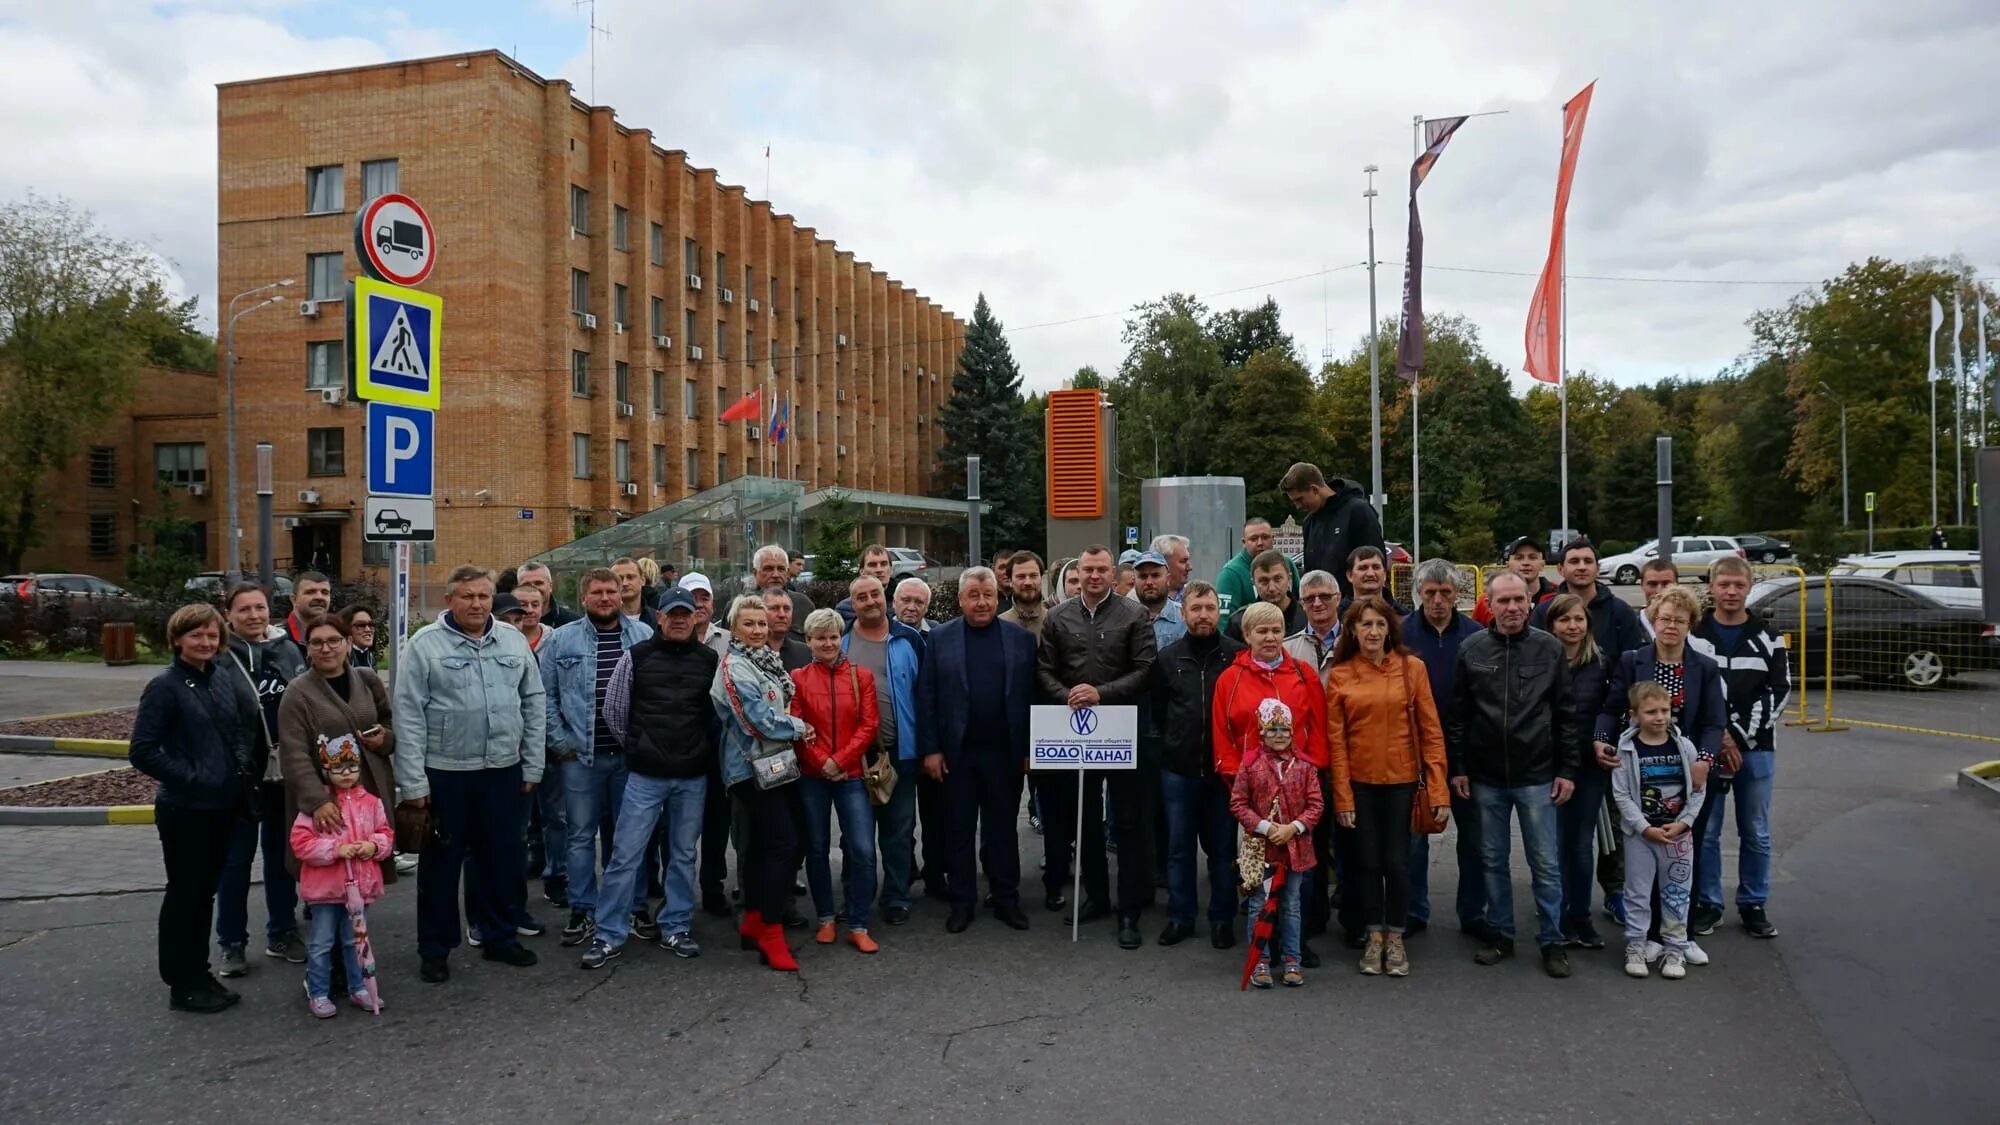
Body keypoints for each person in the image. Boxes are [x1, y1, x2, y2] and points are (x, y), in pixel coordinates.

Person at [394, 565, 547, 983]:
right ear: (450, 601)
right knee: (440, 867)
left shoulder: (512, 640)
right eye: (467, 596)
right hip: (446, 774)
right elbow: (407, 716)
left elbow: (533, 702)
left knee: (500, 859)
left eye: (483, 596)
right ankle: (436, 949)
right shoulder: (424, 646)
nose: (477, 604)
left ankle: (499, 937)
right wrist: (413, 785)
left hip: (503, 770)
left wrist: (532, 763)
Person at [1447, 571, 1580, 978]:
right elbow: (1458, 716)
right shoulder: (1471, 649)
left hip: (1537, 775)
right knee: (1492, 861)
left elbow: (1566, 715)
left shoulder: (1549, 649)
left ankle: (1552, 941)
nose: (1512, 608)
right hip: (1485, 777)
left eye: (1518, 600)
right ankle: (1501, 934)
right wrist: (1459, 768)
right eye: (1503, 601)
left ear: (1530, 601)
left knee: (1545, 863)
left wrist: (1567, 769)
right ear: (1489, 603)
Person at [581, 587, 720, 968]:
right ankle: (608, 932)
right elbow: (615, 710)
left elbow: (714, 716)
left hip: (692, 777)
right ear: (658, 617)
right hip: (645, 776)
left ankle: (676, 925)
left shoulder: (710, 661)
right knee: (625, 855)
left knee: (682, 855)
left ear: (696, 617)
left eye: (685, 613)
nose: (678, 619)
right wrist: (639, 745)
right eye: (671, 613)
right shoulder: (636, 657)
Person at [130, 603, 258, 1014]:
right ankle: (181, 983)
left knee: (205, 895)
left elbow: (237, 728)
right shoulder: (164, 686)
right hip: (185, 809)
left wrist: (237, 766)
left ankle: (200, 973)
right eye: (196, 635)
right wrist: (192, 777)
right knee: (185, 896)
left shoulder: (219, 677)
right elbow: (143, 751)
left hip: (223, 805)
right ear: (177, 639)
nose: (206, 642)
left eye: (212, 635)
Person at [1035, 545, 1158, 948]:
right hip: (1075, 731)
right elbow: (1044, 669)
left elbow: (1145, 670)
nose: (1093, 576)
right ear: (1078, 571)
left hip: (1120, 729)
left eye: (1101, 569)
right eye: (1086, 569)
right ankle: (1098, 896)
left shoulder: (1134, 614)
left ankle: (1129, 910)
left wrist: (1100, 694)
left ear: (1112, 573)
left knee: (1127, 822)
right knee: (1083, 819)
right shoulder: (1057, 616)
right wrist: (1069, 694)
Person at [1326, 596, 1448, 978]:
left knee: (1397, 864)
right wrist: (1342, 796)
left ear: (1390, 629)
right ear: (1353, 631)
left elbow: (1431, 733)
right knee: (1366, 865)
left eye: (1380, 624)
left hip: (1402, 784)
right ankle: (1372, 936)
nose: (1373, 632)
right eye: (1366, 625)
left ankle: (1395, 936)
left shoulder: (1413, 669)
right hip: (1360, 785)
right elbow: (1337, 743)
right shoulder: (1341, 675)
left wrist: (1439, 790)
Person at [539, 567, 654, 950]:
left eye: (612, 591)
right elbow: (545, 697)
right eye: (598, 592)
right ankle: (583, 908)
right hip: (579, 759)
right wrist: (561, 743)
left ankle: (634, 907)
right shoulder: (561, 640)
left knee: (629, 838)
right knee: (580, 837)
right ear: (584, 598)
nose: (606, 598)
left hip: (628, 758)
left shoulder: (642, 636)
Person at [1212, 599, 1330, 963]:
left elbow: (1317, 730)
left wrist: (1311, 771)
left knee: (1297, 872)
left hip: (1296, 792)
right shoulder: (1230, 679)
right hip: (1253, 793)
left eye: (1277, 630)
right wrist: (1239, 782)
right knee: (1257, 871)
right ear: (1246, 635)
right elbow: (1222, 735)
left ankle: (1295, 941)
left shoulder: (1303, 674)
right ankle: (1262, 941)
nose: (1270, 637)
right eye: (1261, 631)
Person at [920, 568, 1036, 933]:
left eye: (987, 594)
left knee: (1002, 829)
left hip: (1005, 752)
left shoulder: (1020, 639)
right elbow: (927, 697)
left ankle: (1006, 899)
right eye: (974, 595)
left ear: (997, 597)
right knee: (958, 830)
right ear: (960, 600)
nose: (982, 602)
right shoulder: (940, 639)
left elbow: (1033, 696)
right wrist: (932, 750)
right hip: (958, 755)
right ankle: (962, 901)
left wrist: (1033, 748)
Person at [710, 595, 814, 973]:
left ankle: (755, 918)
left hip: (777, 765)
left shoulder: (766, 662)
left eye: (761, 624)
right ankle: (770, 930)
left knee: (772, 844)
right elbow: (757, 722)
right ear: (734, 628)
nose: (757, 630)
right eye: (749, 624)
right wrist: (801, 728)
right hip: (748, 769)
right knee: (783, 843)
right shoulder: (735, 667)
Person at [1690, 556, 1790, 941]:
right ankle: (1708, 903)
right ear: (1712, 587)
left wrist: (1736, 734)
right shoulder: (1695, 634)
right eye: (1724, 584)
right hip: (1707, 747)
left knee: (1756, 830)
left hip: (1757, 748)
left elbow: (1779, 692)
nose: (1731, 592)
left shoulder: (1769, 636)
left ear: (1749, 588)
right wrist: (1717, 737)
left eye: (1738, 585)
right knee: (1707, 829)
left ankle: (1753, 903)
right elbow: (1693, 689)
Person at [215, 582, 307, 976]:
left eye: (260, 608)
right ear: (229, 615)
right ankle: (232, 942)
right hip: (238, 777)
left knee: (282, 859)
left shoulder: (288, 651)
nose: (254, 616)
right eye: (244, 609)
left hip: (283, 775)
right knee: (235, 863)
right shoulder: (219, 657)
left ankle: (282, 930)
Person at [1150, 581, 1245, 948]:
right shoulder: (1169, 658)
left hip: (1223, 772)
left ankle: (1221, 919)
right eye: (1195, 609)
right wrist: (1171, 749)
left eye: (1209, 608)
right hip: (1179, 771)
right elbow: (1159, 710)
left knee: (1222, 851)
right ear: (1184, 612)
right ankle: (1181, 916)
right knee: (1178, 849)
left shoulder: (1237, 656)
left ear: (1217, 611)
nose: (1203, 615)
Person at [277, 614, 395, 895]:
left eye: (333, 640)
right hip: (328, 796)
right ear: (307, 648)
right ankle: (328, 931)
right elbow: (294, 753)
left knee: (362, 867)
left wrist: (385, 739)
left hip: (368, 790)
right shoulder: (298, 693)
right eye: (316, 643)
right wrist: (317, 801)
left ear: (348, 643)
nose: (326, 648)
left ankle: (356, 932)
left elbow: (390, 723)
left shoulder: (367, 680)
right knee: (330, 874)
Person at [1401, 559, 1486, 940]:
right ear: (1419, 593)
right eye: (1430, 593)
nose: (1437, 600)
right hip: (1415, 751)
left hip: (1466, 752)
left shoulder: (1476, 635)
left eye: (1445, 593)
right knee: (1415, 838)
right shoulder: (1400, 635)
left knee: (1474, 838)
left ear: (1458, 594)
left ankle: (1473, 912)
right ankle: (1414, 909)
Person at [790, 608, 882, 952]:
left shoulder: (862, 677)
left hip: (853, 775)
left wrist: (840, 760)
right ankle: (826, 917)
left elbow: (869, 725)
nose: (827, 643)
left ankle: (858, 922)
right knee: (815, 849)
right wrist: (822, 762)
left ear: (839, 638)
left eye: (832, 637)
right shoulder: (797, 678)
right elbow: (796, 727)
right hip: (812, 777)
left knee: (862, 850)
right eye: (820, 637)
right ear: (809, 641)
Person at [288, 735, 394, 1017]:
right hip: (327, 889)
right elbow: (301, 843)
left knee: (355, 941)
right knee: (322, 942)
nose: (346, 774)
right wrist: (336, 849)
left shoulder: (371, 802)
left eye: (352, 767)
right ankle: (318, 990)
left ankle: (358, 986)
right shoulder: (317, 807)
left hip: (360, 888)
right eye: (338, 768)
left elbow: (385, 834)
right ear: (326, 771)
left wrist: (373, 846)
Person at [841, 575, 926, 924]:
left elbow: (926, 696)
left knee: (898, 829)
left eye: (875, 594)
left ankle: (896, 896)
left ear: (886, 597)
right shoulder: (842, 642)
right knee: (854, 833)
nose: (870, 601)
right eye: (861, 597)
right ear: (853, 604)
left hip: (900, 750)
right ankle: (856, 895)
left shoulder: (909, 640)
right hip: (854, 754)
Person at [1610, 682, 1707, 980]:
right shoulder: (1626, 749)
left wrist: (1685, 822)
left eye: (1665, 710)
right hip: (1641, 836)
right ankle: (1637, 945)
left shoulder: (1685, 747)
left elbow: (1698, 789)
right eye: (1651, 711)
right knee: (1637, 893)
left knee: (1677, 893)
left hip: (1678, 837)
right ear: (1634, 714)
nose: (1660, 717)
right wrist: (1643, 827)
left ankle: (1675, 947)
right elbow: (1621, 795)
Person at [1231, 698, 1324, 989]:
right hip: (1263, 849)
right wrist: (1265, 826)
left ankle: (1291, 959)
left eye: (1285, 729)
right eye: (1273, 730)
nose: (1280, 735)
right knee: (1260, 902)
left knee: (1292, 905)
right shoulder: (1250, 765)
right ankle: (1260, 959)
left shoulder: (1306, 766)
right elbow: (1238, 803)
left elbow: (1316, 804)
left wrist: (1294, 828)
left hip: (1296, 849)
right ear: (1261, 733)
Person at [1541, 592, 1614, 948]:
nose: (1572, 626)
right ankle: (1555, 916)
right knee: (1553, 846)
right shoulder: (1540, 661)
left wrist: (1601, 739)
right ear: (1551, 625)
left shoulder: (1602, 664)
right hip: (1547, 765)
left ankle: (1580, 916)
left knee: (1581, 844)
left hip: (1587, 766)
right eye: (1564, 620)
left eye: (1579, 619)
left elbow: (1611, 709)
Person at [1281, 462, 1384, 598]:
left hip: (1355, 607)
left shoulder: (1358, 511)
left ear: (1315, 489)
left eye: (1300, 499)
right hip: (1323, 607)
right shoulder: (1309, 522)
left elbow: (1375, 561)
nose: (1298, 506)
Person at [1533, 538, 1645, 657]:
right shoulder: (1544, 612)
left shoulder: (1621, 612)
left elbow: (1632, 662)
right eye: (1574, 561)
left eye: (1588, 561)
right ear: (1561, 569)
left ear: (1598, 568)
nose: (1582, 567)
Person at [1216, 517, 1299, 629]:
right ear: (1244, 542)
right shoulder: (1231, 573)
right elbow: (1223, 622)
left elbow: (1299, 599)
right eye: (1253, 539)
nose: (1260, 543)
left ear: (1273, 539)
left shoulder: (1287, 563)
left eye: (1265, 537)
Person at [1471, 536, 1558, 625]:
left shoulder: (1558, 598)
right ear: (1507, 564)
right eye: (1519, 558)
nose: (1526, 563)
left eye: (1532, 557)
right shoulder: (1486, 602)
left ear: (1543, 564)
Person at [1224, 550, 1306, 642]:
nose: (1272, 588)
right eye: (1264, 581)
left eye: (1278, 579)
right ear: (1253, 582)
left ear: (1289, 578)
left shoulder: (1308, 616)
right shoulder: (1239, 623)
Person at [1282, 570, 1341, 673]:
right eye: (1310, 599)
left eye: (1324, 596)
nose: (1317, 603)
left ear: (1338, 598)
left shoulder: (1357, 642)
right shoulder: (1286, 650)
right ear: (1302, 604)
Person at [753, 544, 815, 637]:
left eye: (781, 569)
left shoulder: (803, 604)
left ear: (787, 571)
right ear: (755, 573)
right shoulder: (740, 607)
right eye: (768, 569)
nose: (776, 575)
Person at [1133, 550, 1186, 651]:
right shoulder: (1123, 620)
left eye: (1155, 575)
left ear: (1168, 579)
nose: (1149, 582)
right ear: (1134, 581)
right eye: (1143, 576)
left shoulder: (1185, 618)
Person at [1338, 546, 1408, 618]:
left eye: (1376, 567)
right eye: (1363, 568)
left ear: (1384, 574)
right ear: (1350, 575)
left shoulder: (1403, 616)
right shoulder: (1336, 615)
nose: (1370, 574)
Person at [999, 551, 1048, 640]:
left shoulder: (1055, 622)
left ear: (1041, 578)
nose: (1028, 582)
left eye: (1033, 576)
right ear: (1010, 581)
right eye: (1021, 577)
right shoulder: (999, 625)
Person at [762, 585, 812, 670]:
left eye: (786, 609)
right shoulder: (750, 652)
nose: (782, 614)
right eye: (774, 608)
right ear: (762, 612)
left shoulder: (805, 653)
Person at [517, 562, 578, 628]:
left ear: (550, 586)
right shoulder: (509, 623)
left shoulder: (572, 623)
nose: (533, 589)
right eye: (526, 584)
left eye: (538, 583)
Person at [285, 570, 333, 653]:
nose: (319, 597)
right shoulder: (277, 639)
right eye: (310, 592)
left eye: (325, 592)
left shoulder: (338, 638)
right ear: (294, 600)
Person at [1149, 533, 1192, 602]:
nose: (1190, 568)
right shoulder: (1137, 600)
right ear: (1164, 564)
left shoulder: (1195, 597)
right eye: (1183, 561)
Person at [611, 557, 651, 623]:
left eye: (630, 577)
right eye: (619, 578)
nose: (624, 583)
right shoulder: (603, 620)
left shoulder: (657, 619)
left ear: (643, 580)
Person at [342, 605, 380, 670]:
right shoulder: (342, 659)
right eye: (361, 625)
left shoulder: (370, 655)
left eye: (371, 625)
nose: (368, 629)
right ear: (346, 629)